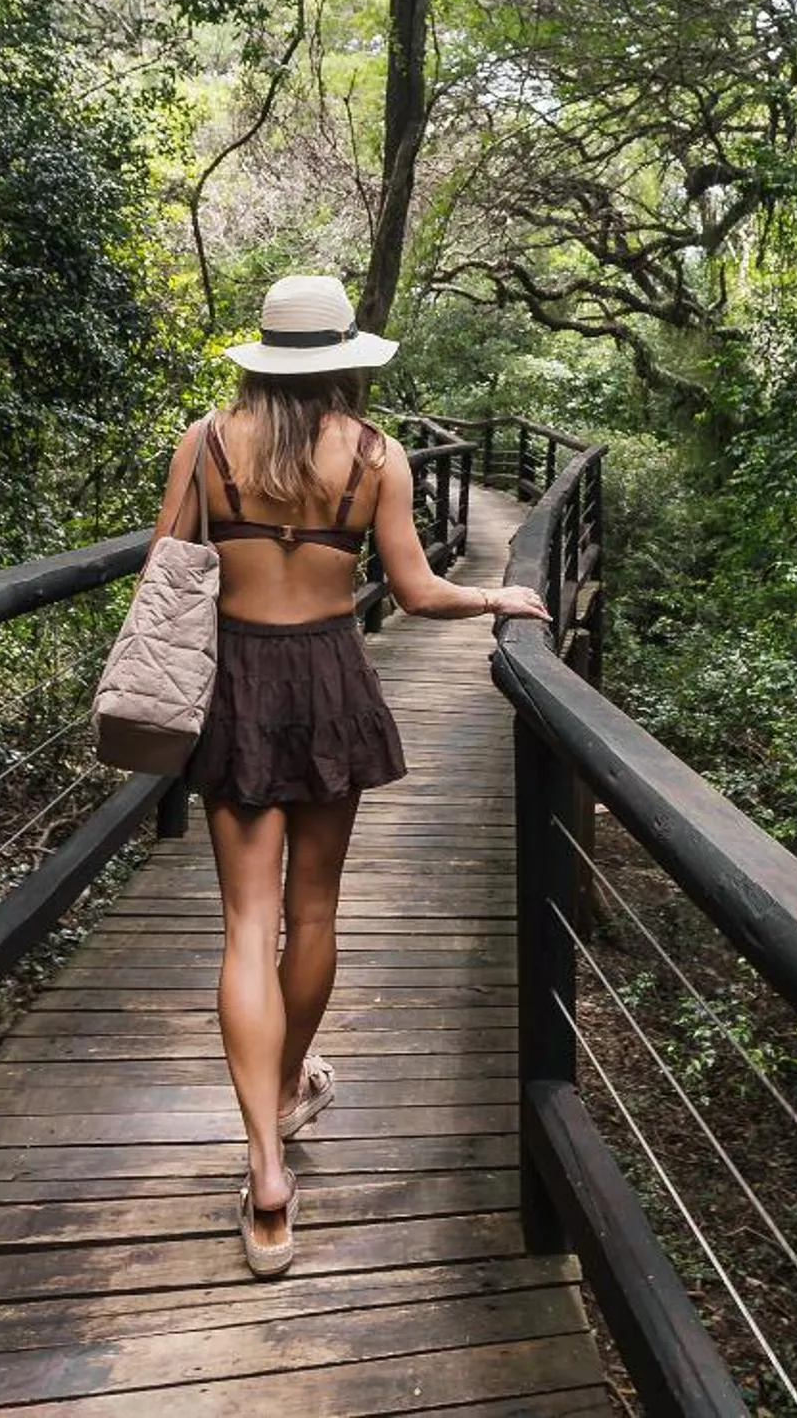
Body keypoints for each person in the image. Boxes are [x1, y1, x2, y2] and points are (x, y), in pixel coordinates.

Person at [143, 274, 552, 1277]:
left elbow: (165, 568)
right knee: (311, 915)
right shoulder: (375, 455)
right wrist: (496, 591)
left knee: (245, 923)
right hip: (329, 677)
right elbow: (410, 590)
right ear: (341, 359)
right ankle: (286, 1089)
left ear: (261, 358)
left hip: (233, 683)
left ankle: (266, 1167)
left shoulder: (204, 442)